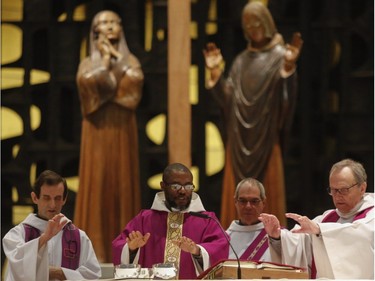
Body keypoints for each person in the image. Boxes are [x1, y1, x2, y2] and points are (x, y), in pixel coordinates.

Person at [203, 1, 303, 228]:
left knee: (268, 190)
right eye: (247, 24)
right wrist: (215, 74)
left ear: (267, 22)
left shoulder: (280, 56)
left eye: (257, 22)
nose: (252, 28)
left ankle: (272, 242)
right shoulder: (241, 61)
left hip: (266, 137)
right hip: (239, 140)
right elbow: (229, 100)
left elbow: (286, 102)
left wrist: (288, 69)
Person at [74, 10, 144, 262]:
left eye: (114, 22)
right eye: (104, 22)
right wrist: (106, 64)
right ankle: (96, 255)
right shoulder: (87, 62)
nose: (110, 26)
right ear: (95, 31)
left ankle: (125, 254)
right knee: (98, 184)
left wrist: (110, 70)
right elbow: (87, 87)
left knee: (122, 183)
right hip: (97, 133)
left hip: (122, 131)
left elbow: (134, 86)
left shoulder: (131, 60)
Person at [259, 159, 374, 279]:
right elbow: (300, 244)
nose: (338, 196)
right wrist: (277, 236)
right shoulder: (327, 218)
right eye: (333, 190)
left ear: (362, 188)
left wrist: (319, 230)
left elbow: (362, 235)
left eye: (344, 190)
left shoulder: (371, 215)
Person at [112, 163, 229, 279]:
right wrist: (131, 249)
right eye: (176, 186)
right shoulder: (145, 219)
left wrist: (197, 251)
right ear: (163, 186)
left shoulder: (206, 220)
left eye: (188, 186)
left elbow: (221, 248)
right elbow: (119, 245)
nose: (183, 191)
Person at [2, 170, 101, 281]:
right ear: (35, 198)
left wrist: (60, 273)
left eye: (58, 198)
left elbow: (93, 275)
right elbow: (16, 268)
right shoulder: (17, 234)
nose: (52, 205)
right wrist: (44, 239)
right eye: (46, 198)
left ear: (64, 199)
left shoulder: (79, 237)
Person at [226, 178, 271, 261]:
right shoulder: (225, 239)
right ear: (235, 202)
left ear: (263, 203)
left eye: (254, 201)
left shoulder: (276, 237)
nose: (248, 206)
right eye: (243, 201)